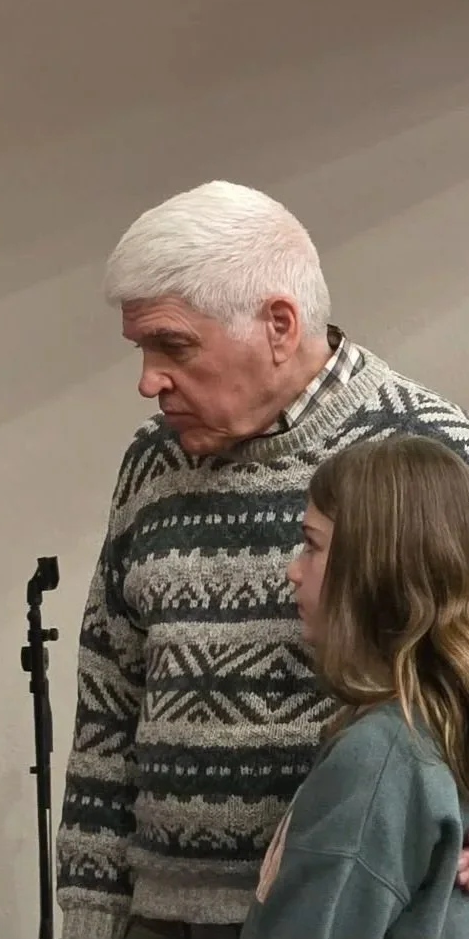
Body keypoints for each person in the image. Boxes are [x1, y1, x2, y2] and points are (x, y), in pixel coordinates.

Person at [57, 181, 469, 939]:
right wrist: (89, 915)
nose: (148, 380)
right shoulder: (152, 462)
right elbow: (107, 700)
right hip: (155, 920)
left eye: (173, 345)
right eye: (141, 349)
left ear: (278, 323)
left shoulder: (429, 453)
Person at [242, 435, 469, 938]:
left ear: (375, 568)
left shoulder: (381, 758)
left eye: (312, 545)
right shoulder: (436, 732)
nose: (292, 571)